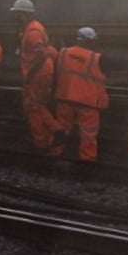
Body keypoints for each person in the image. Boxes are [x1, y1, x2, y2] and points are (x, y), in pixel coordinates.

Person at [10, 0, 66, 151]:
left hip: (38, 74)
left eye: (17, 14)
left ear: (24, 14)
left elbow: (40, 55)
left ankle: (52, 134)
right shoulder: (32, 28)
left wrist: (29, 74)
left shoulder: (33, 31)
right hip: (40, 73)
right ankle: (49, 139)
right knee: (37, 106)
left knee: (34, 107)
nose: (15, 17)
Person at [49, 27, 108, 161]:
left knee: (61, 130)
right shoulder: (97, 58)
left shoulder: (62, 53)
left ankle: (54, 155)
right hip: (88, 103)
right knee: (88, 134)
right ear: (91, 41)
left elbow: (54, 76)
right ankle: (87, 160)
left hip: (64, 99)